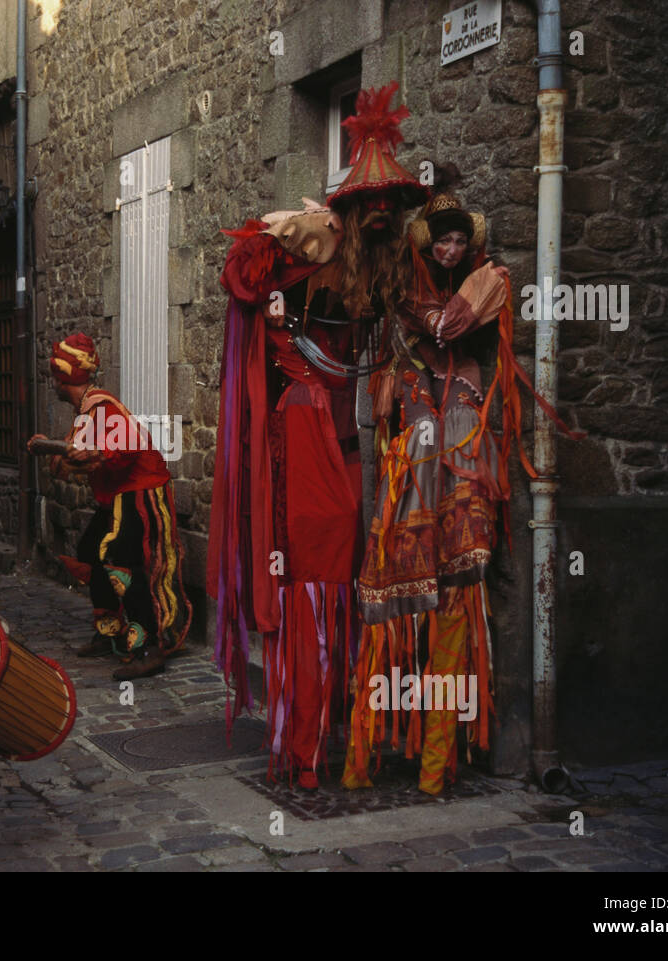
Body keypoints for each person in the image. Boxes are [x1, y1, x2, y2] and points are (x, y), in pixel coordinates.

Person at [209, 81, 428, 787]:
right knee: (311, 570)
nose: (380, 216)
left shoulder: (397, 274)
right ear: (348, 210)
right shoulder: (315, 257)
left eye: (390, 207)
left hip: (355, 431)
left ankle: (343, 730)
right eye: (368, 205)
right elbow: (241, 275)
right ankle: (300, 741)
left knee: (350, 572)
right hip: (301, 430)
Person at [343, 175, 581, 794]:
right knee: (390, 604)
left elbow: (453, 321)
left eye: (457, 241)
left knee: (457, 603)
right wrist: (426, 317)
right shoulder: (407, 290)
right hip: (415, 467)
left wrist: (445, 313)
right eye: (440, 241)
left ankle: (435, 765)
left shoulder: (487, 282)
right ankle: (366, 754)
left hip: (463, 468)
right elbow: (432, 321)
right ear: (426, 246)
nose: (448, 249)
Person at [28, 333, 192, 681]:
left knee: (117, 557)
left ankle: (148, 648)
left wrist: (96, 453)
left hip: (138, 492)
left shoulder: (101, 406)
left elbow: (127, 447)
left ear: (62, 377)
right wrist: (49, 448)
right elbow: (75, 458)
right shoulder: (87, 411)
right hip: (118, 495)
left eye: (54, 376)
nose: (53, 383)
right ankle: (111, 631)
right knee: (90, 551)